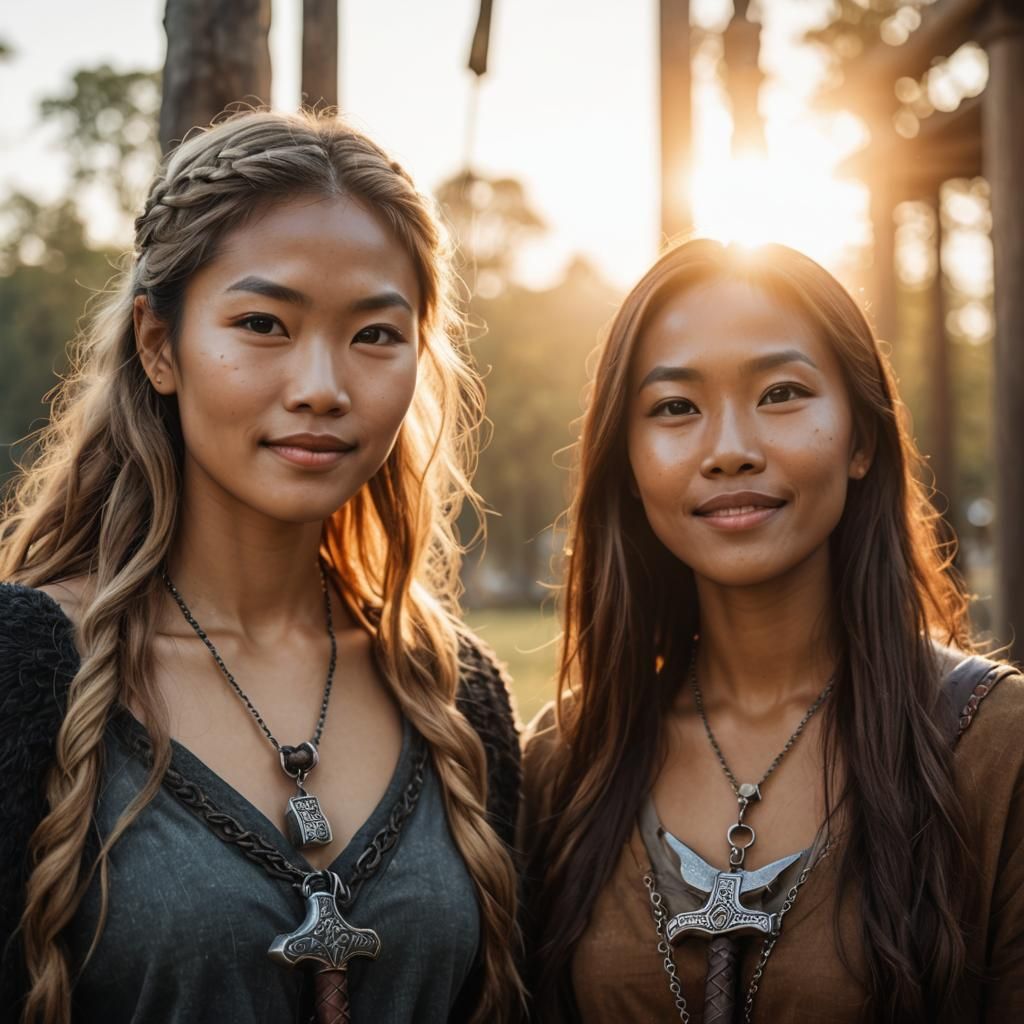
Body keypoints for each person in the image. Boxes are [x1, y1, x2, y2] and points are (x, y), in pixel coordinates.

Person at [0, 110, 523, 1024]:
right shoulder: (28, 667)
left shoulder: (455, 692)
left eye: (374, 334)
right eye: (263, 323)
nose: (322, 385)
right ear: (159, 347)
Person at [520, 238, 1024, 1023]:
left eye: (782, 393)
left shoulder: (994, 745)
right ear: (629, 460)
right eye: (676, 407)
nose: (729, 450)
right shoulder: (570, 754)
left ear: (860, 439)